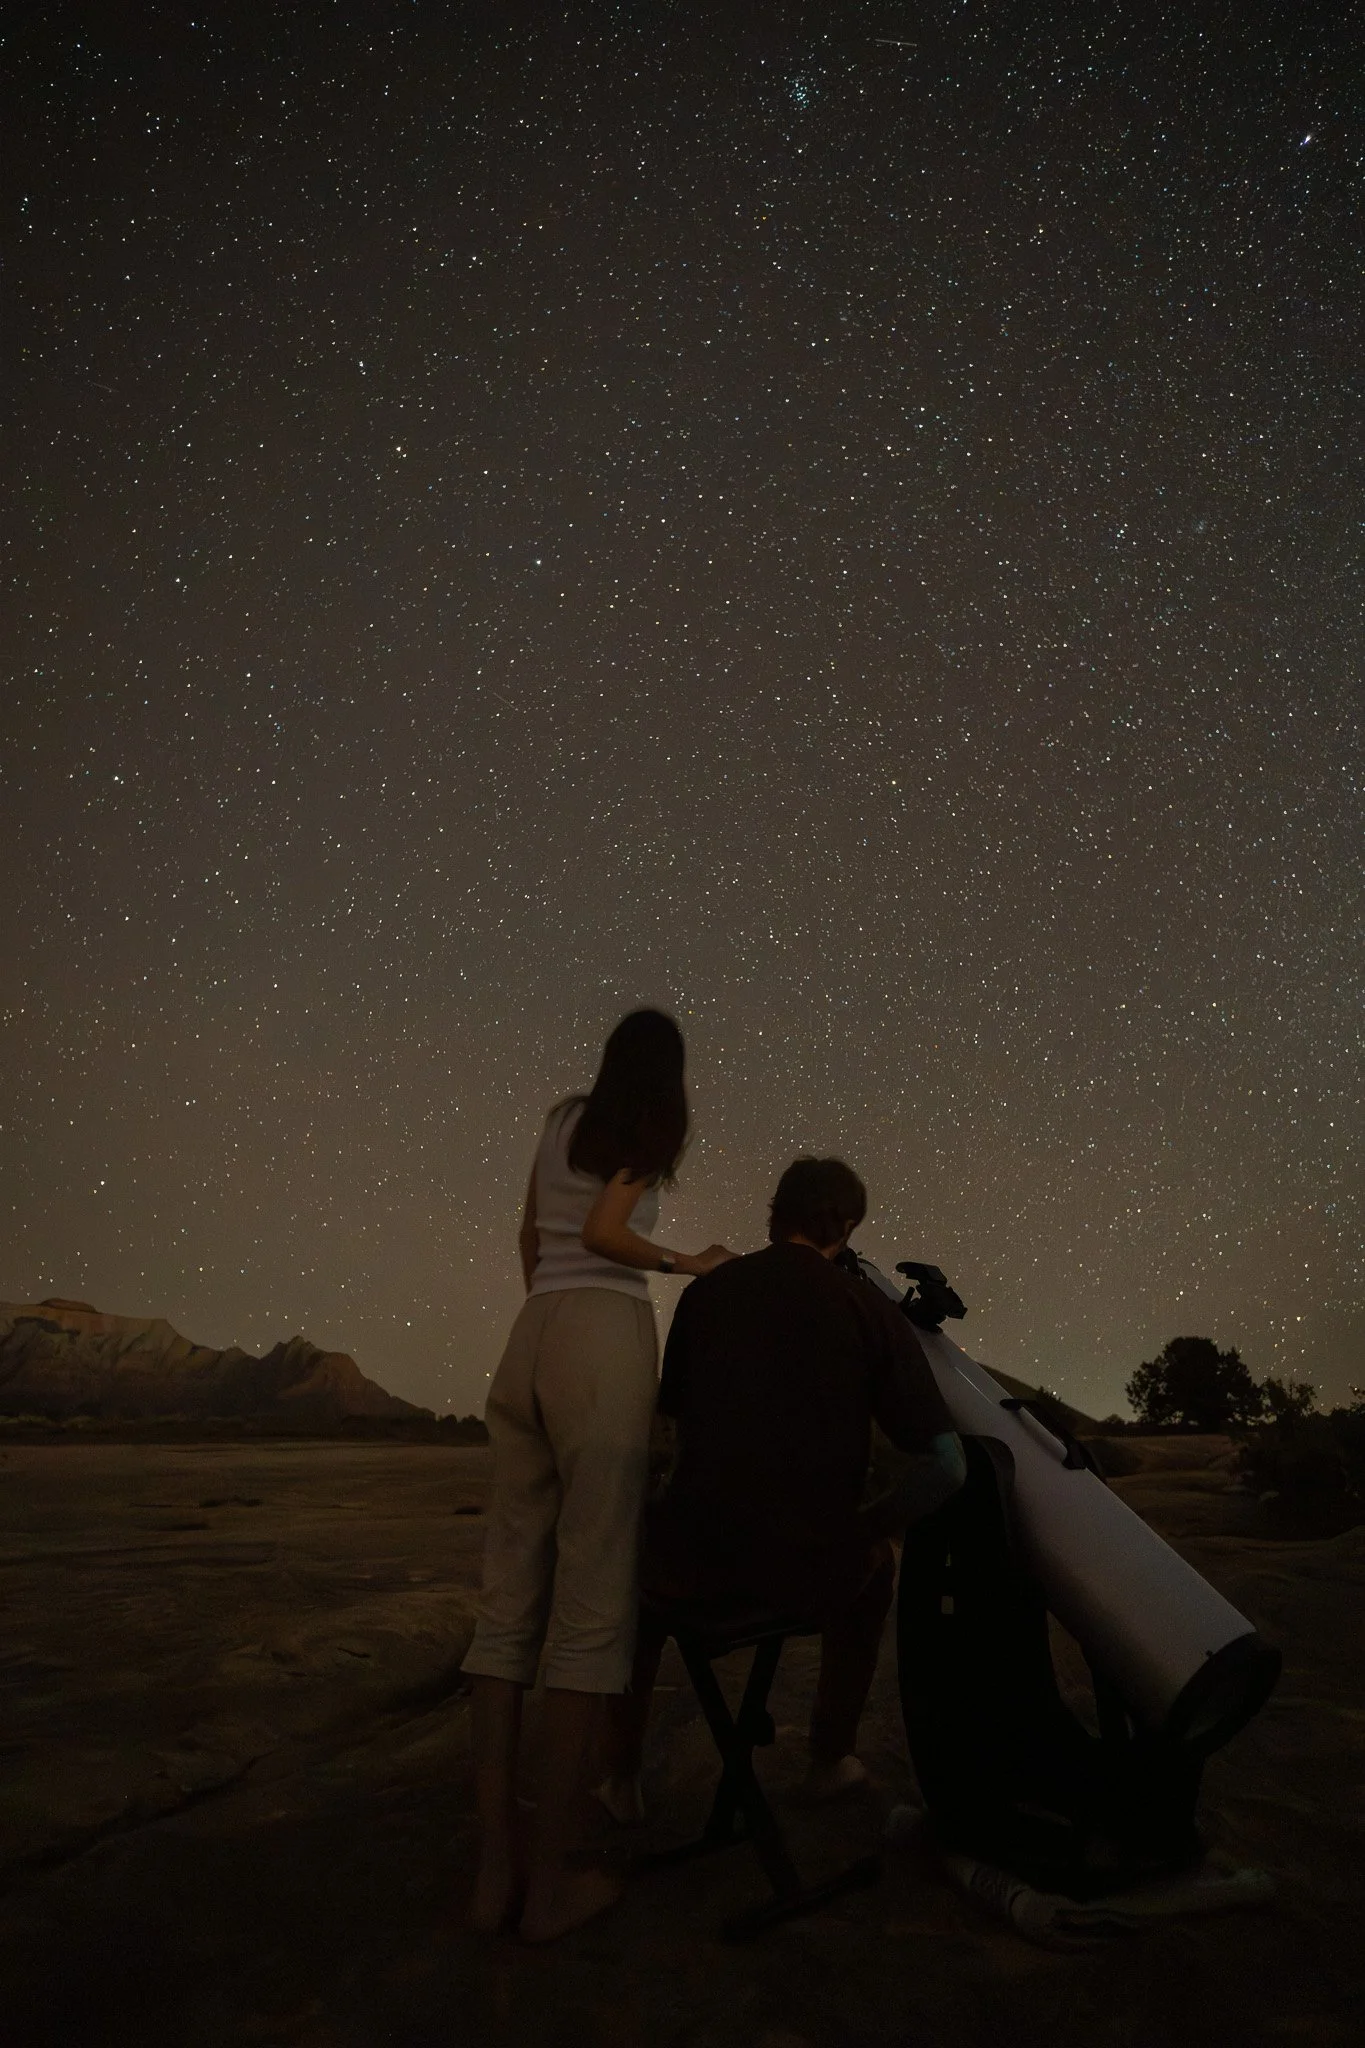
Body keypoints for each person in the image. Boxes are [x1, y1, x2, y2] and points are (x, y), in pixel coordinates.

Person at [461, 1008, 734, 1942]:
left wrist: (548, 1306)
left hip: (531, 1334)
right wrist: (683, 1261)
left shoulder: (560, 1119)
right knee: (589, 1605)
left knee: (506, 1609)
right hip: (601, 1335)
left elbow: (534, 1236)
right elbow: (611, 1230)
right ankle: (549, 1888)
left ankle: (494, 1867)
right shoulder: (645, 1126)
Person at [599, 1156, 965, 1815]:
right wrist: (865, 1528)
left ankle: (620, 1778)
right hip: (805, 1571)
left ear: (774, 1214)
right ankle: (829, 1759)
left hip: (691, 1567)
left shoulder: (705, 1294)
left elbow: (671, 1428)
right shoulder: (868, 1311)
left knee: (639, 1593)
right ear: (845, 1226)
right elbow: (947, 1465)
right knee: (877, 1569)